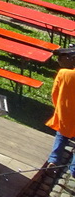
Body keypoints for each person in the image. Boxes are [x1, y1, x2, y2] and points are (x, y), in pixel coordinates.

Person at [47, 47, 75, 180]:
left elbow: (55, 93)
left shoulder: (63, 74)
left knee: (61, 136)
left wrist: (58, 107)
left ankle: (53, 159)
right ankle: (74, 169)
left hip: (66, 112)